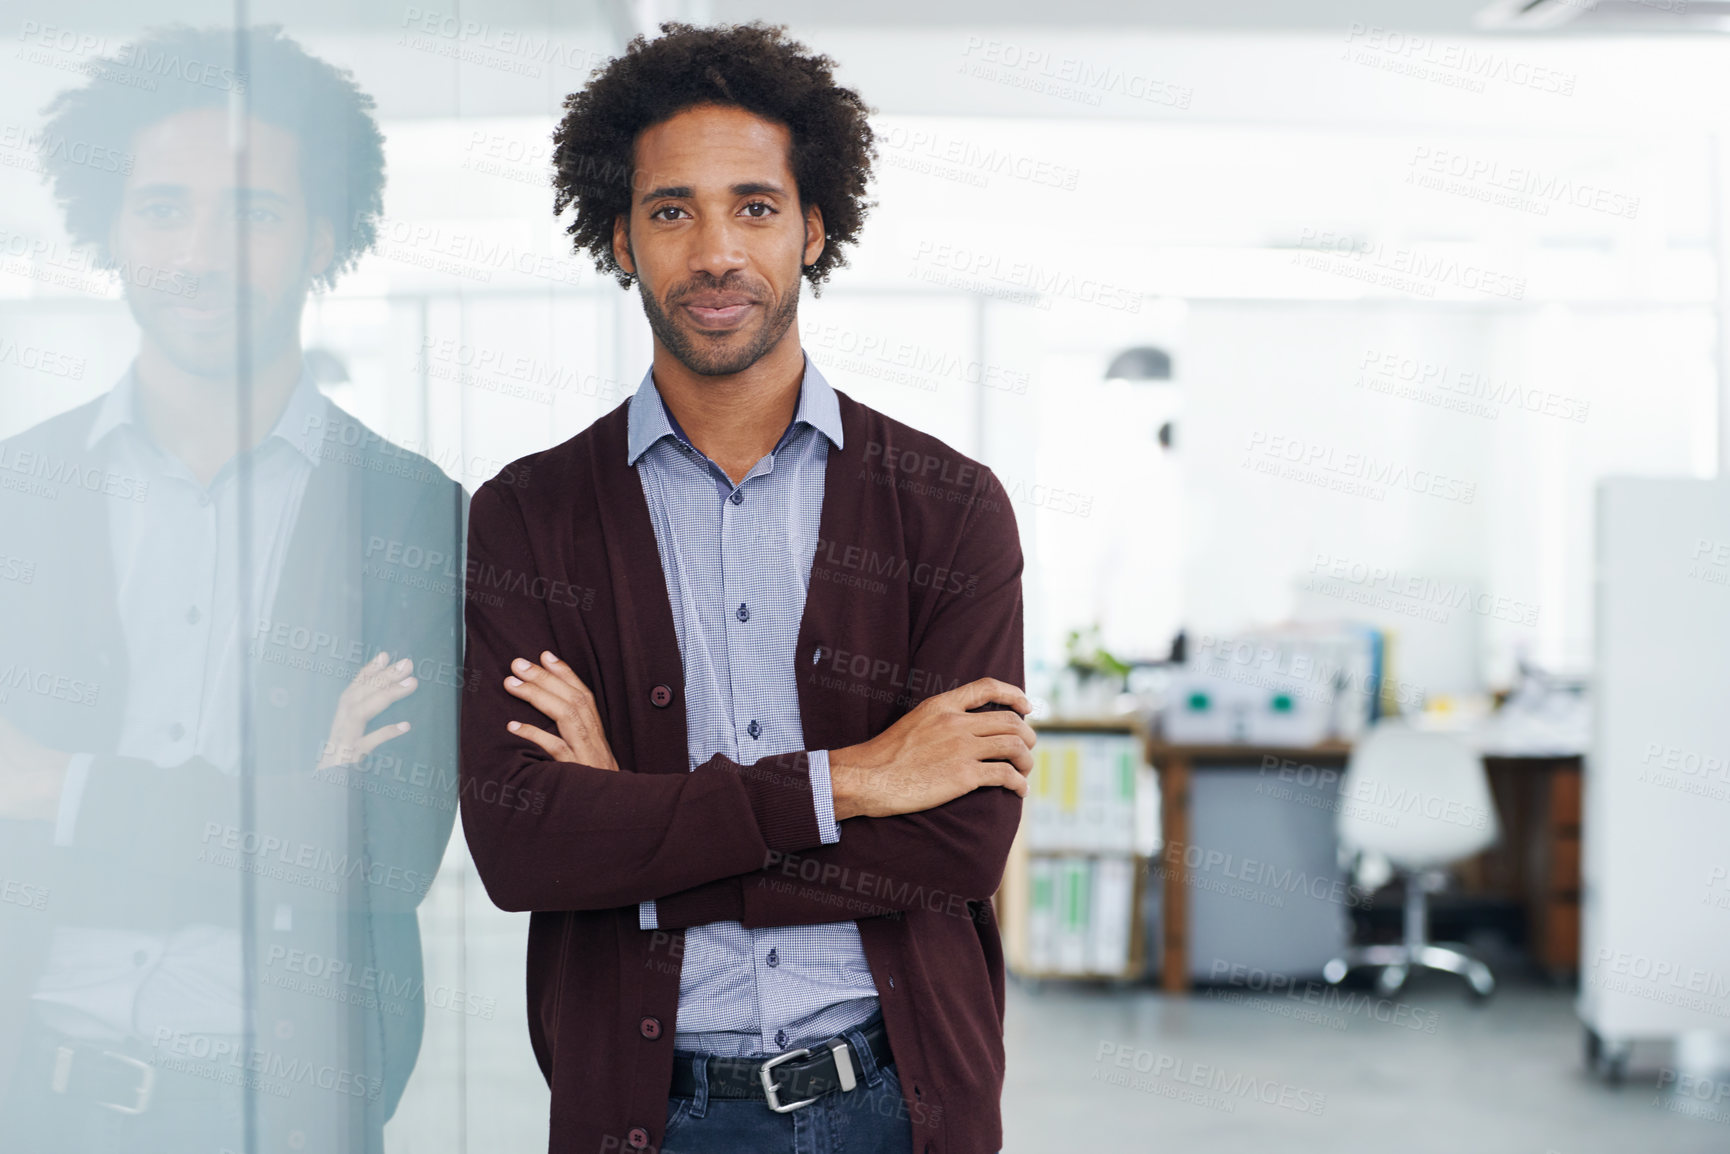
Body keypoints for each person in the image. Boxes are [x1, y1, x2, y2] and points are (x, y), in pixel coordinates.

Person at [460, 21, 1031, 1154]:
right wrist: (856, 779)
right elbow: (525, 846)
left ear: (815, 227)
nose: (715, 249)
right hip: (645, 1109)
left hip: (896, 1095)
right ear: (618, 236)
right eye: (671, 210)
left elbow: (958, 841)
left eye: (755, 206)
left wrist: (638, 836)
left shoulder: (948, 504)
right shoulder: (528, 514)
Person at [0, 25, 462, 1153]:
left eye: (250, 212)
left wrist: (58, 786)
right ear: (110, 228)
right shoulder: (19, 494)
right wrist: (285, 796)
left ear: (320, 236)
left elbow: (382, 846)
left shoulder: (409, 512)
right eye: (162, 208)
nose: (201, 250)